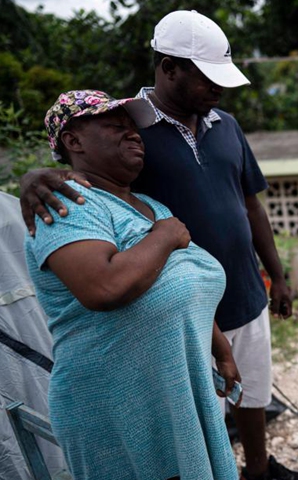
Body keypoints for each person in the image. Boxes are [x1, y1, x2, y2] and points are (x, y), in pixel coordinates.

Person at [19, 10, 298, 480]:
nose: (219, 89)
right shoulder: (135, 134)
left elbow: (251, 204)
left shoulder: (225, 127)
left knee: (250, 393)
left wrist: (277, 275)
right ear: (169, 67)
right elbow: (86, 176)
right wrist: (35, 176)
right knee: (186, 422)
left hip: (240, 293)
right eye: (207, 77)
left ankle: (259, 470)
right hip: (172, 322)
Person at [26, 90, 239, 479]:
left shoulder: (152, 206)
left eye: (134, 128)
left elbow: (179, 287)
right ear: (73, 141)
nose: (134, 135)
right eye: (115, 126)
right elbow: (104, 289)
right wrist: (165, 235)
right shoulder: (66, 204)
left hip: (171, 393)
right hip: (114, 407)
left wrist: (220, 348)